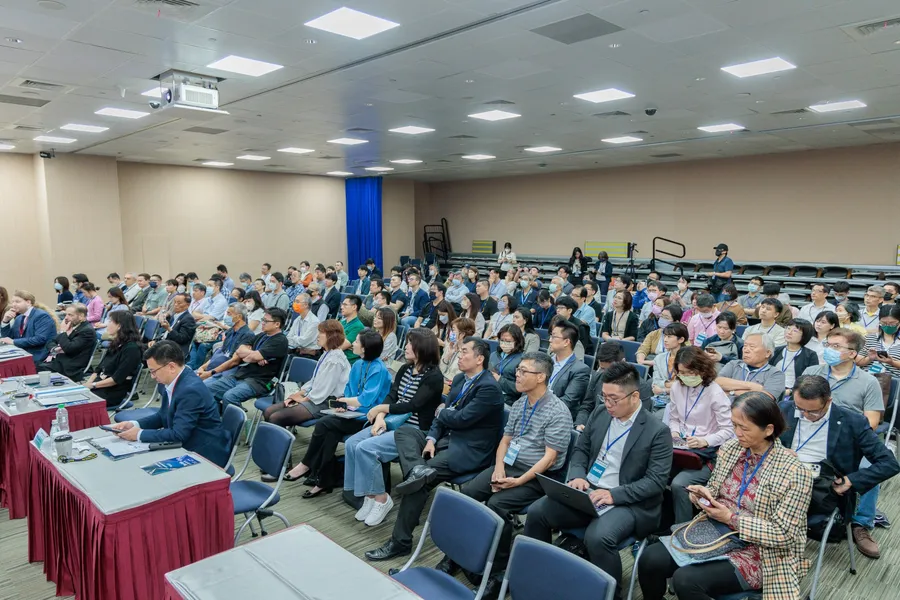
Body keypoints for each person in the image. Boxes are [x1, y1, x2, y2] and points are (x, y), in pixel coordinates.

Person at [638, 392, 813, 600]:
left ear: (768, 429)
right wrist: (703, 495)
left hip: (761, 550)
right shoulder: (732, 449)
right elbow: (715, 488)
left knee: (686, 581)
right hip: (717, 531)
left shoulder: (794, 472)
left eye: (744, 428)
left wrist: (731, 518)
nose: (737, 433)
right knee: (649, 559)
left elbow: (784, 535)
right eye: (734, 425)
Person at [525, 362, 671, 597]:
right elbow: (581, 450)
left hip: (628, 501)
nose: (608, 404)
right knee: (538, 511)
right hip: (589, 490)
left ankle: (609, 593)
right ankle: (540, 575)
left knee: (598, 537)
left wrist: (613, 495)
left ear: (635, 397)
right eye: (604, 397)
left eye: (614, 399)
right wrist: (578, 476)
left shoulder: (657, 431)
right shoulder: (601, 412)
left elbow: (655, 482)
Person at [365, 337, 505, 561]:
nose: (459, 355)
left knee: (417, 483)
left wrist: (442, 412)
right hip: (443, 440)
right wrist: (430, 438)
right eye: (459, 350)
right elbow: (444, 419)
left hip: (468, 450)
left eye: (465, 351)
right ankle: (417, 469)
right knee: (406, 433)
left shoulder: (489, 388)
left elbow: (460, 419)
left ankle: (400, 542)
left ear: (480, 359)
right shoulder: (460, 379)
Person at [460, 352, 574, 592]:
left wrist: (518, 481)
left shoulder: (558, 411)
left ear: (541, 377)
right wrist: (499, 468)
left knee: (497, 504)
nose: (517, 375)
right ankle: (466, 553)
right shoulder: (521, 402)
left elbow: (550, 457)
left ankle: (498, 570)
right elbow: (506, 440)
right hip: (510, 465)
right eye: (518, 370)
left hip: (538, 477)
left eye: (523, 371)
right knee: (468, 491)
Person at [781, 375, 900, 560]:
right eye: (800, 408)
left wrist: (850, 480)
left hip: (821, 487)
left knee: (771, 508)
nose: (805, 415)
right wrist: (777, 451)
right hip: (781, 475)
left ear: (828, 401)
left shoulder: (852, 422)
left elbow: (889, 464)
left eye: (812, 412)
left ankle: (778, 554)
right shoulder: (785, 409)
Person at [345, 329, 445, 525]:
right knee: (351, 443)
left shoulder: (434, 376)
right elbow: (392, 395)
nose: (406, 347)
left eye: (410, 343)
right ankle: (368, 495)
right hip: (391, 421)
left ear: (423, 348)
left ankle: (381, 498)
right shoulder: (405, 369)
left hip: (413, 430)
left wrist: (381, 408)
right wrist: (381, 416)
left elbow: (414, 404)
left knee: (366, 448)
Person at [801, 328, 886, 556]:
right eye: (828, 344)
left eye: (836, 346)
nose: (829, 349)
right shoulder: (812, 372)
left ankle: (861, 523)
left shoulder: (868, 382)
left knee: (870, 469)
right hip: (808, 435)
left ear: (852, 353)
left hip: (849, 441)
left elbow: (872, 422)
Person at [281, 330, 393, 496]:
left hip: (368, 417)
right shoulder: (357, 364)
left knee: (324, 423)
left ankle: (307, 464)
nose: (352, 344)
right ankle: (323, 480)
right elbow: (348, 390)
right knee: (330, 433)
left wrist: (345, 403)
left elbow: (366, 400)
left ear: (364, 348)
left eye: (356, 341)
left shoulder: (379, 370)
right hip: (351, 413)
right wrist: (344, 405)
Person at [111, 341, 231, 466]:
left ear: (171, 367)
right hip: (186, 442)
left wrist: (139, 434)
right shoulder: (175, 380)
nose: (152, 376)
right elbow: (162, 415)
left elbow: (178, 434)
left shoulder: (190, 390)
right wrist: (134, 424)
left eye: (154, 371)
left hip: (203, 452)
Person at [667, 346, 734, 523]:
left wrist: (705, 440)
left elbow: (729, 430)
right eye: (681, 372)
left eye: (690, 372)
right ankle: (658, 523)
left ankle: (680, 530)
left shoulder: (715, 392)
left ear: (702, 370)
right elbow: (673, 418)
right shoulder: (676, 387)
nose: (686, 376)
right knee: (654, 473)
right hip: (680, 447)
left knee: (679, 484)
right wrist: (674, 432)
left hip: (706, 453)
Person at [262, 320, 350, 430]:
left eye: (321, 333)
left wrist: (302, 399)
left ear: (331, 336)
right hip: (315, 396)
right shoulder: (327, 354)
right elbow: (314, 381)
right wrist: (299, 393)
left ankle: (278, 445)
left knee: (276, 417)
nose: (317, 336)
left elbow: (324, 390)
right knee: (268, 411)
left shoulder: (335, 360)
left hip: (328, 402)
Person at [203, 308, 289, 409]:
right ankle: (218, 416)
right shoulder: (262, 335)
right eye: (262, 319)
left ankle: (235, 422)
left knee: (230, 397)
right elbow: (239, 350)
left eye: (266, 321)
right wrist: (254, 355)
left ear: (277, 324)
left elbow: (251, 357)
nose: (262, 322)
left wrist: (253, 356)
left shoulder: (280, 340)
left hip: (260, 381)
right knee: (207, 389)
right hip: (241, 375)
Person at [578, 341, 654, 428]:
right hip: (594, 426)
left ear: (623, 362)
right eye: (602, 368)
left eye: (610, 369)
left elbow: (641, 420)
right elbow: (587, 405)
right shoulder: (598, 376)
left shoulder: (640, 387)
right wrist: (580, 424)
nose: (605, 373)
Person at [84, 311, 142, 408]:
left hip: (113, 392)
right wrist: (88, 383)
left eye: (110, 321)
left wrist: (93, 385)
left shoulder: (131, 349)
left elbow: (116, 379)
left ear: (119, 326)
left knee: (79, 403)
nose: (107, 324)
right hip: (101, 386)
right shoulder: (116, 343)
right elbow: (98, 369)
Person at [716, 333, 786, 400]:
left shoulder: (776, 374)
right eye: (745, 346)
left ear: (767, 353)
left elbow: (764, 398)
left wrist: (731, 392)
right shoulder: (734, 364)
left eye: (752, 347)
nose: (746, 350)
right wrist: (751, 386)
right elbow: (717, 382)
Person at [196, 302, 255, 378]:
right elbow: (220, 354)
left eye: (229, 314)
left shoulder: (247, 335)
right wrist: (202, 368)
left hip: (225, 373)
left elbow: (234, 361)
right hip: (213, 368)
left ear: (239, 316)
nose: (226, 316)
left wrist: (210, 373)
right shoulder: (230, 331)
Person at [547, 319, 591, 419]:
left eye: (554, 336)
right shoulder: (545, 361)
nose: (550, 340)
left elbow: (568, 401)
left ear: (566, 342)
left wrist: (539, 406)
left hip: (558, 418)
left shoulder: (580, 370)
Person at [39, 303, 96, 380]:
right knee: (36, 363)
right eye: (66, 314)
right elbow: (51, 341)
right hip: (60, 359)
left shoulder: (87, 331)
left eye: (70, 315)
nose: (66, 318)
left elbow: (69, 348)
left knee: (40, 368)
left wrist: (63, 332)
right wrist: (55, 349)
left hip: (72, 366)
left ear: (81, 316)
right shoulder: (72, 326)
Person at [0, 290, 58, 364]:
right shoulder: (19, 318)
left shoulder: (41, 316)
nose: (13, 304)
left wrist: (13, 342)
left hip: (40, 357)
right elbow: (8, 338)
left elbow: (39, 339)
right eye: (12, 302)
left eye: (17, 302)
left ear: (28, 302)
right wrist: (5, 321)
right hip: (22, 355)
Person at [770, 318, 819, 393]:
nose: (789, 332)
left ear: (804, 335)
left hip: (795, 392)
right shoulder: (776, 350)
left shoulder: (810, 355)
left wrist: (790, 391)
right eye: (788, 328)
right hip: (772, 387)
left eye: (795, 331)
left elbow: (810, 381)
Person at [858, 304, 900, 378]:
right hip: (867, 379)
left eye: (892, 323)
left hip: (893, 381)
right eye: (883, 323)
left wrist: (892, 362)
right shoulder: (870, 338)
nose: (888, 326)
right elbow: (858, 361)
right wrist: (870, 358)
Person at [651, 322, 690, 399]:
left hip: (683, 398)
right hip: (660, 399)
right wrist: (674, 385)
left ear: (681, 339)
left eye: (669, 337)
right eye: (665, 336)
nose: (665, 340)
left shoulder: (690, 359)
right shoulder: (659, 358)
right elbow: (655, 383)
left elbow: (687, 385)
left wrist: (663, 389)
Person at [490, 324, 526, 405]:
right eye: (502, 340)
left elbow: (519, 389)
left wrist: (499, 379)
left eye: (508, 341)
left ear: (517, 341)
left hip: (507, 400)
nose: (504, 343)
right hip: (489, 393)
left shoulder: (523, 360)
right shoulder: (494, 355)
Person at [439, 317, 476, 391]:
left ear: (462, 334)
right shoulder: (450, 347)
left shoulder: (469, 353)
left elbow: (459, 378)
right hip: (442, 381)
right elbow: (440, 370)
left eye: (453, 330)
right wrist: (447, 357)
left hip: (453, 387)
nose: (451, 332)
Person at [156, 293, 197, 358]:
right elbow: (164, 333)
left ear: (187, 305)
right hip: (164, 343)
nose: (175, 305)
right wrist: (155, 340)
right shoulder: (174, 315)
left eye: (179, 303)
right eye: (174, 302)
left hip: (174, 348)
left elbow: (182, 339)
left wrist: (169, 329)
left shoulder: (188, 319)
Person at [338, 295, 365, 364]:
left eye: (345, 305)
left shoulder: (358, 326)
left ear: (354, 307)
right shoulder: (342, 322)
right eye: (342, 304)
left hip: (346, 362)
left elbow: (340, 347)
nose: (341, 307)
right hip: (337, 359)